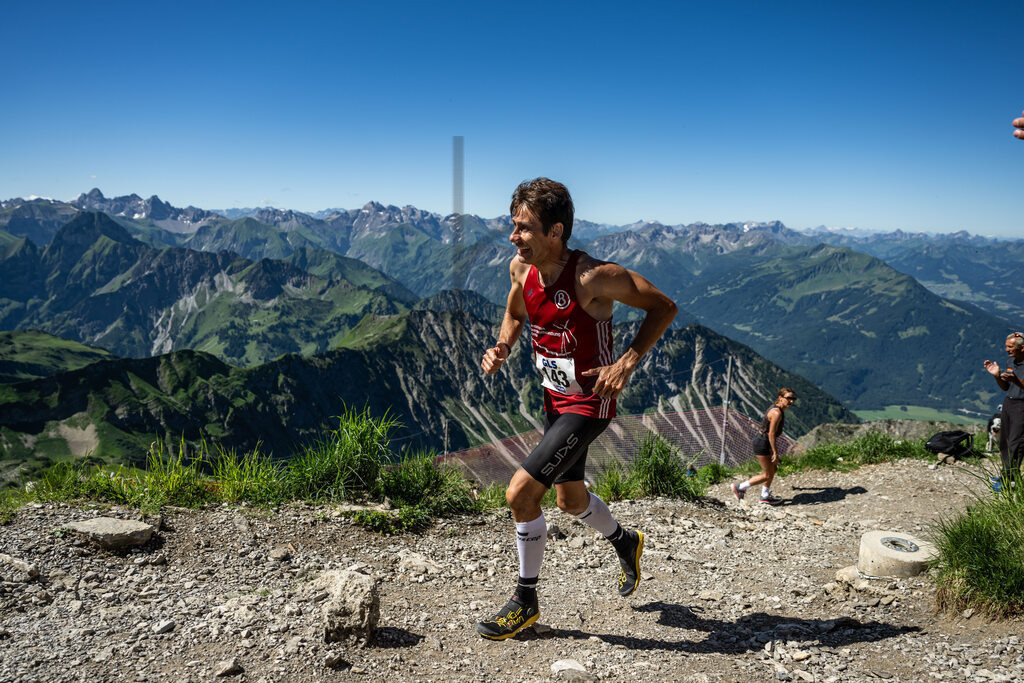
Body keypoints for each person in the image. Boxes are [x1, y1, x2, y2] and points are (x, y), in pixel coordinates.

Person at [476, 178, 677, 640]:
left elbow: (663, 307)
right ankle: (626, 542)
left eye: (523, 228)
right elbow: (514, 312)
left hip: (589, 403)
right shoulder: (521, 270)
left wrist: (627, 361)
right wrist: (502, 346)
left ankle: (525, 600)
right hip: (553, 399)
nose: (513, 236)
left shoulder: (593, 277)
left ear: (556, 231)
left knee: (520, 495)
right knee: (569, 500)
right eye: (513, 225)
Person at [731, 387, 797, 505]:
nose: (791, 401)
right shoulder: (776, 413)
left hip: (764, 442)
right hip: (762, 443)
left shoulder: (777, 408)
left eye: (793, 399)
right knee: (767, 474)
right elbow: (771, 433)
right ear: (780, 398)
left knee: (774, 469)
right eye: (788, 398)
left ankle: (765, 496)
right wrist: (775, 453)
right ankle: (740, 487)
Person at [983, 333, 1024, 490]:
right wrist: (997, 376)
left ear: (1022, 348)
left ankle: (1009, 480)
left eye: (1010, 346)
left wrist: (1016, 381)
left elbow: (1019, 383)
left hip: (1022, 406)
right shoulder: (1010, 362)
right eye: (1006, 346)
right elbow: (1007, 387)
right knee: (1005, 442)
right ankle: (1006, 475)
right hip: (1009, 403)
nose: (1006, 349)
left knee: (1016, 443)